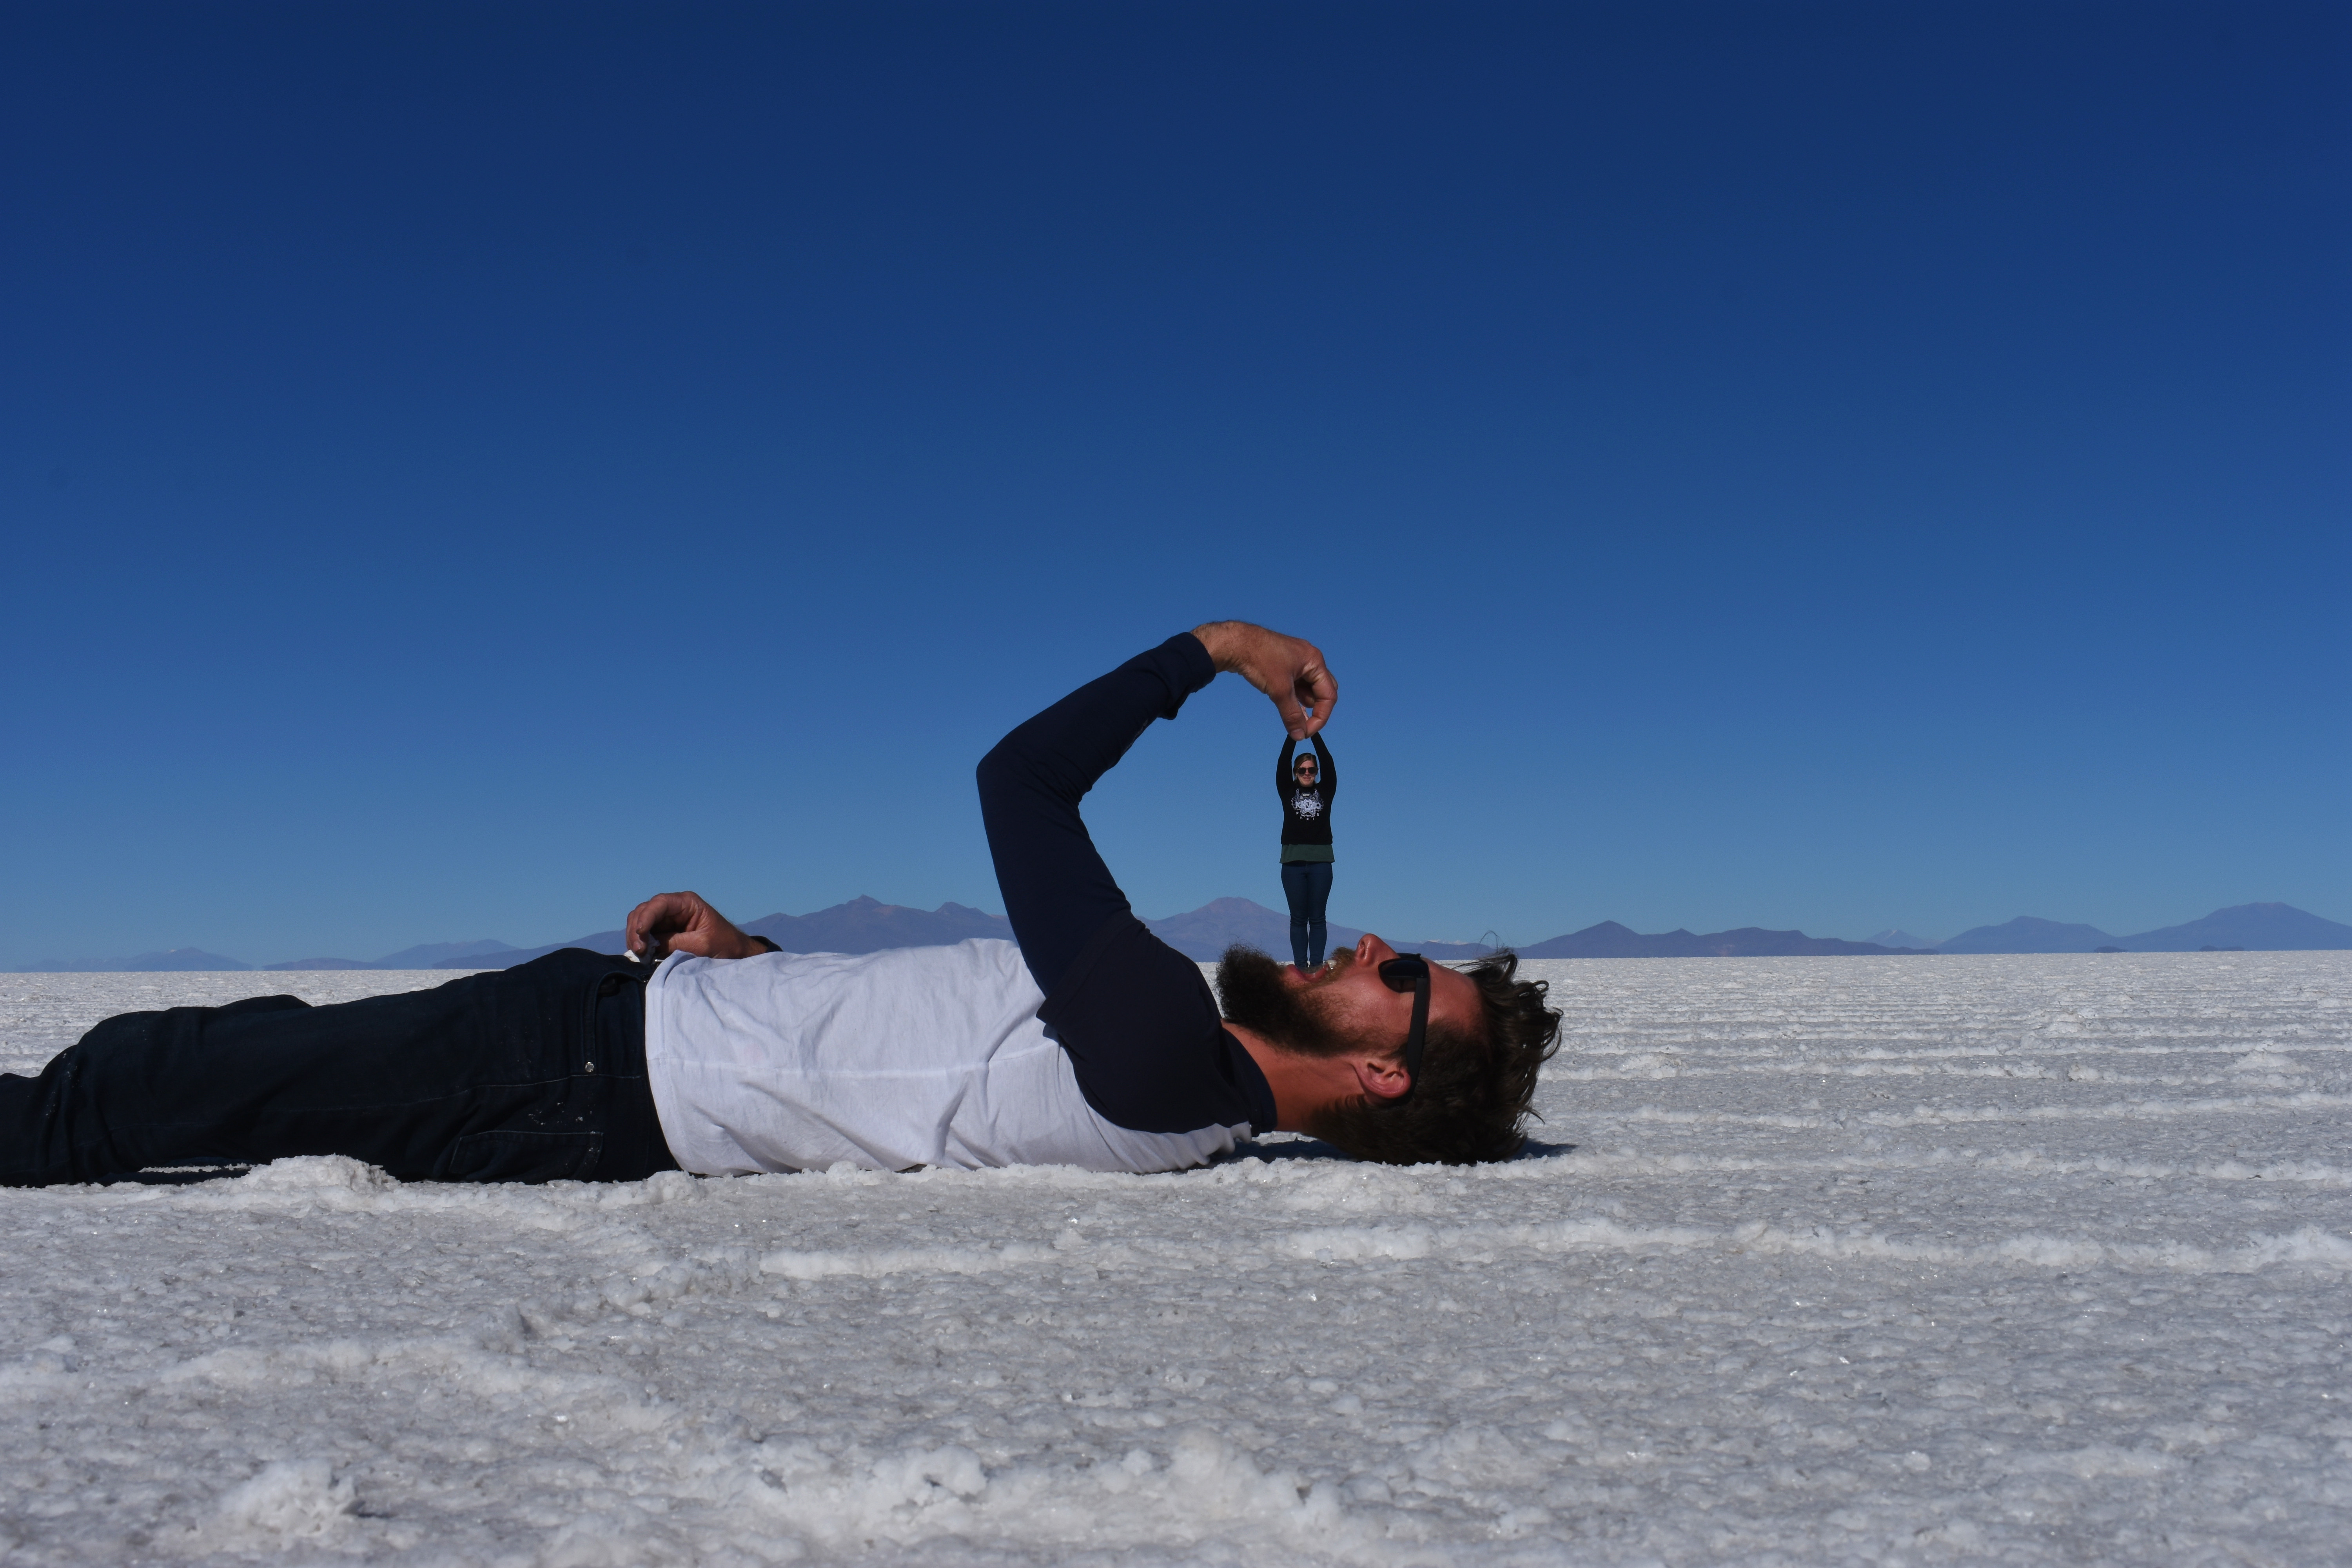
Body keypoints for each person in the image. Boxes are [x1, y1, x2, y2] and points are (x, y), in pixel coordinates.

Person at [2, 622, 1559, 1187]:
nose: (1372, 944)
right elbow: (923, 1055)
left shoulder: (1167, 1046)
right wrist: (753, 956)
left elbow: (1019, 781)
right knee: (231, 1068)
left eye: (1401, 974)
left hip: (582, 1071)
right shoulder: (1180, 1084)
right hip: (621, 1061)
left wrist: (1212, 651)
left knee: (174, 1079)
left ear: (1380, 1072)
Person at [1278, 733, 1336, 970]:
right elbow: (1283, 760)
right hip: (1292, 862)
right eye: (1302, 770)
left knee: (1318, 918)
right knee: (1298, 919)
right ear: (1295, 773)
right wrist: (1295, 733)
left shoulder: (1327, 790)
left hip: (1321, 861)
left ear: (1317, 772)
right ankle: (1301, 967)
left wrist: (1314, 732)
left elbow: (1328, 761)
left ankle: (1317, 966)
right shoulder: (1286, 790)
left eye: (1311, 770)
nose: (1307, 773)